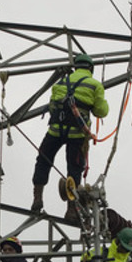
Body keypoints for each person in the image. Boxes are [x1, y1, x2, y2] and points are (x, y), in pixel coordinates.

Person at [31, 53, 109, 221]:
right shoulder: (95, 85)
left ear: (76, 67)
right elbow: (101, 111)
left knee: (43, 160)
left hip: (55, 130)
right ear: (90, 69)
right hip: (77, 133)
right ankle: (71, 209)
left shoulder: (60, 84)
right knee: (74, 169)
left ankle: (37, 197)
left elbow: (53, 105)